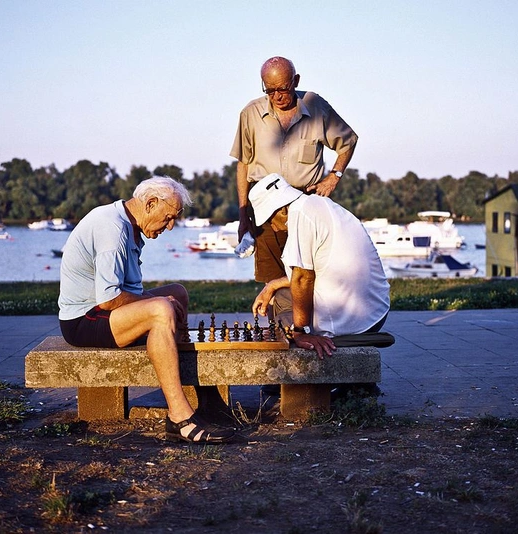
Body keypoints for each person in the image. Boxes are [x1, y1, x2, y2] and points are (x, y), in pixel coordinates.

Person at [58, 176, 234, 443]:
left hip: (105, 311)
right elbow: (108, 299)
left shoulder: (130, 224)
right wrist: (156, 305)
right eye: (168, 218)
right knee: (161, 309)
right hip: (84, 319)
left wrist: (159, 301)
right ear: (150, 203)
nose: (171, 226)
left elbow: (129, 293)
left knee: (177, 292)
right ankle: (180, 418)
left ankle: (206, 398)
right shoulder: (113, 230)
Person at [230, 56, 359, 283]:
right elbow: (243, 164)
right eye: (270, 90)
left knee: (308, 278)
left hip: (307, 206)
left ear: (295, 81)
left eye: (283, 88)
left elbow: (348, 141)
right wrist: (243, 215)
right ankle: (277, 320)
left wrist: (334, 177)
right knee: (272, 280)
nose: (277, 96)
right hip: (264, 210)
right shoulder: (250, 113)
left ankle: (306, 321)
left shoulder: (316, 106)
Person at [248, 173, 390, 360]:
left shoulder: (299, 214)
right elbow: (319, 270)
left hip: (352, 322)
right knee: (281, 292)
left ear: (281, 210)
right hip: (376, 312)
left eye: (270, 221)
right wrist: (272, 284)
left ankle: (284, 374)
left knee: (282, 312)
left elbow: (303, 278)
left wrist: (301, 331)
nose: (273, 229)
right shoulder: (318, 204)